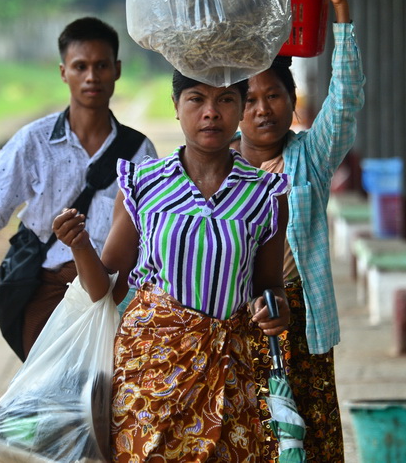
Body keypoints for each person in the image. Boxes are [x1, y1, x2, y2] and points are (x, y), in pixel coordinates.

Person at [52, 71, 291, 461]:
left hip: (229, 378)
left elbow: (270, 285)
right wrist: (79, 246)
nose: (211, 113)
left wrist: (274, 310)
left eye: (226, 100)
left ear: (241, 109)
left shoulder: (265, 193)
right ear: (176, 108)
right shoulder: (142, 184)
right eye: (196, 99)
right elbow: (107, 290)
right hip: (148, 379)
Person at [0, 16, 157, 359]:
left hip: (114, 293)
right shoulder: (34, 141)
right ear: (64, 72)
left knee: (109, 397)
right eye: (80, 66)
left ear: (117, 69)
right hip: (46, 288)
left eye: (101, 65)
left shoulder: (139, 150)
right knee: (50, 394)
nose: (91, 76)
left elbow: (154, 232)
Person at [234, 0, 364, 461]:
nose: (263, 108)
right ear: (231, 109)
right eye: (248, 99)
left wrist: (341, 11)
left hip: (304, 322)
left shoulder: (308, 157)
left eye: (274, 95)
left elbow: (347, 99)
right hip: (241, 320)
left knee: (311, 438)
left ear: (293, 101)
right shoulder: (218, 170)